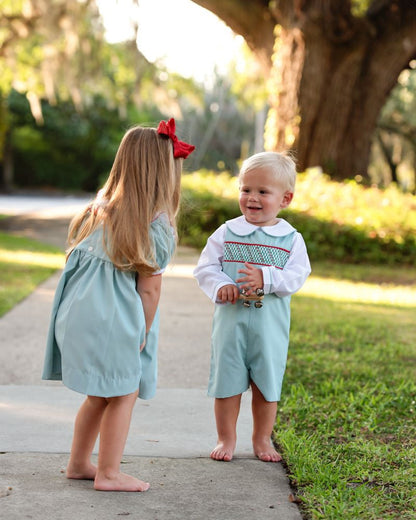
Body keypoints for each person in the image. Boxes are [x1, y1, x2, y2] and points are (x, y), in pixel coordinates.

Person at [42, 118, 195, 491]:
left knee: (102, 393)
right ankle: (108, 473)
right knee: (124, 392)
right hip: (114, 320)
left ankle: (79, 463)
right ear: (165, 174)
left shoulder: (101, 208)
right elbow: (149, 292)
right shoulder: (157, 227)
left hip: (77, 314)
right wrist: (142, 329)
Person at [193, 151, 311, 463]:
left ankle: (261, 439)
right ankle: (226, 438)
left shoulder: (290, 239)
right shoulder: (227, 232)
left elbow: (298, 275)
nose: (252, 198)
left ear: (285, 198)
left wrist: (266, 278)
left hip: (269, 328)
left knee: (266, 383)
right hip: (231, 325)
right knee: (227, 383)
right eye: (246, 189)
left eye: (263, 191)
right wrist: (222, 285)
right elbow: (206, 268)